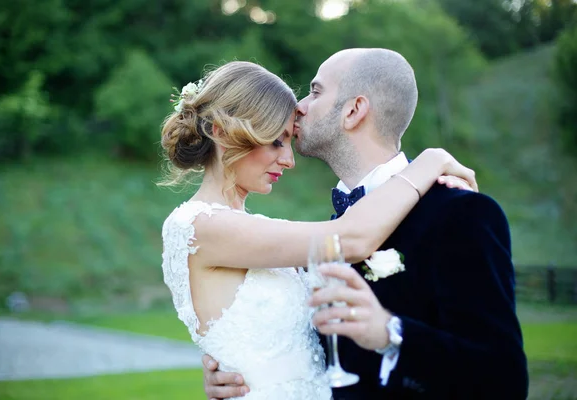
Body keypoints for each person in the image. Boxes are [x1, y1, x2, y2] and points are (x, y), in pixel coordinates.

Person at [201, 50, 529, 399]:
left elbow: (503, 378)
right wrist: (245, 370)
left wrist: (391, 333)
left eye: (315, 91)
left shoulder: (460, 214)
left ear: (353, 110)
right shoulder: (334, 230)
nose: (299, 106)